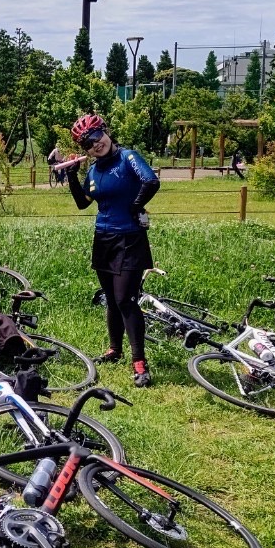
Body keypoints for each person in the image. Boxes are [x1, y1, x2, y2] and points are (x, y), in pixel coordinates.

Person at [64, 114, 160, 387]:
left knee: (125, 299)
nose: (96, 145)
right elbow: (84, 203)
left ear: (105, 132)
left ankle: (140, 363)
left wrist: (135, 206)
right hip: (103, 238)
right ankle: (114, 349)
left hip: (130, 239)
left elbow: (150, 181)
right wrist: (72, 176)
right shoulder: (94, 170)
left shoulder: (127, 157)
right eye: (87, 144)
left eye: (97, 137)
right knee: (110, 297)